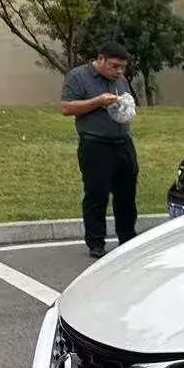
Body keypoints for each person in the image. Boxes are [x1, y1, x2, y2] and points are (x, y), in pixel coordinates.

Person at [60, 44, 138, 259]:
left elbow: (125, 104)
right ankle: (96, 242)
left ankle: (127, 239)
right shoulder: (78, 76)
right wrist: (98, 101)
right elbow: (67, 107)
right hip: (95, 144)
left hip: (123, 142)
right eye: (115, 66)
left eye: (123, 68)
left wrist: (124, 107)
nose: (119, 72)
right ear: (101, 59)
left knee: (126, 194)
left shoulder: (120, 81)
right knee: (97, 194)